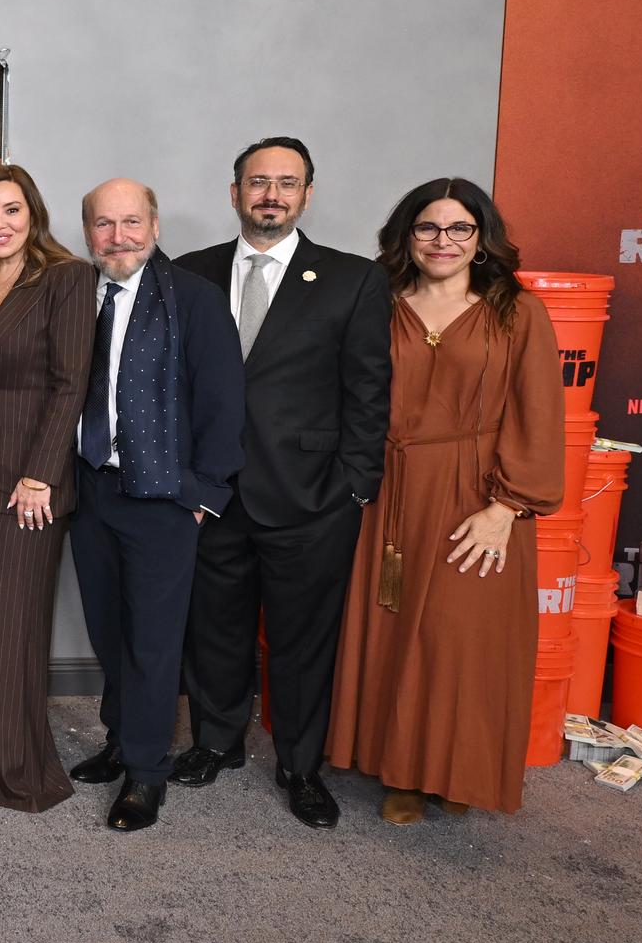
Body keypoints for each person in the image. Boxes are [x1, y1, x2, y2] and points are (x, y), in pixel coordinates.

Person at [328, 178, 563, 822]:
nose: (444, 241)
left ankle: (452, 769)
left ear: (481, 239)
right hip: (388, 488)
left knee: (461, 639)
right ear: (407, 235)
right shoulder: (376, 300)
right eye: (429, 227)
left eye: (460, 228)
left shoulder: (517, 310)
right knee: (394, 627)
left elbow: (538, 412)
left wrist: (508, 507)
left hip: (477, 495)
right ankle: (401, 771)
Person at [173, 138, 390, 829]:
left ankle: (300, 766)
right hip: (214, 494)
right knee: (214, 629)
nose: (272, 194)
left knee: (301, 641)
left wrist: (356, 486)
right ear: (234, 191)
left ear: (307, 194)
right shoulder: (189, 273)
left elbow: (369, 392)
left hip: (311, 498)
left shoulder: (353, 279)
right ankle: (216, 741)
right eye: (258, 181)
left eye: (286, 183)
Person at [66, 178, 247, 832]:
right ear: (88, 232)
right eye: (105, 224)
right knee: (108, 625)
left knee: (151, 637)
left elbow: (224, 401)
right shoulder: (74, 294)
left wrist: (200, 494)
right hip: (91, 488)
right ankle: (121, 739)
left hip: (164, 497)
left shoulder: (193, 299)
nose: (119, 236)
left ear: (156, 224)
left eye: (131, 222)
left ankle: (146, 771)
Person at [0, 165, 91, 814]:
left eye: (10, 209)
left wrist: (40, 474)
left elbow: (70, 382)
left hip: (25, 481)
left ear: (34, 213)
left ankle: (18, 772)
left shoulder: (64, 278)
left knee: (10, 626)